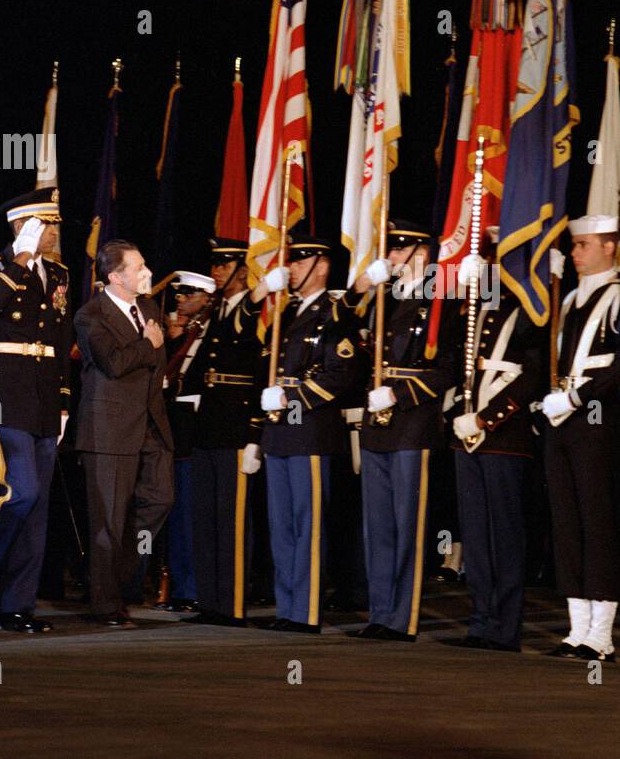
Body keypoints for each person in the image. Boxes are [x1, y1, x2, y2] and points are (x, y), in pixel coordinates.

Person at [541, 214, 620, 662]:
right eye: (574, 245)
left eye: (584, 244)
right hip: (561, 421)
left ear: (611, 247)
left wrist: (577, 397)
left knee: (599, 522)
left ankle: (601, 633)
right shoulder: (569, 298)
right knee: (568, 524)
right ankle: (576, 628)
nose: (575, 252)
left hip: (598, 420)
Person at [0, 188, 72, 633]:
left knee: (38, 506)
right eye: (48, 224)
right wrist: (19, 260)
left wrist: (64, 400)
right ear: (25, 225)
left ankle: (16, 606)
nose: (56, 231)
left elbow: (62, 339)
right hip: (4, 393)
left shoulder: (61, 272)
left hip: (45, 394)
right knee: (18, 491)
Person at [355, 220, 458, 642]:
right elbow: (346, 331)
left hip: (413, 420)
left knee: (407, 524)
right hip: (377, 421)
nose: (391, 259)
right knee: (377, 524)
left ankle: (403, 617)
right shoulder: (384, 300)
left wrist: (399, 395)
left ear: (421, 252)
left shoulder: (442, 300)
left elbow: (448, 370)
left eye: (398, 251)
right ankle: (380, 612)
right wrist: (362, 288)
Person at [258, 236, 367, 632]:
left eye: (301, 262)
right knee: (281, 525)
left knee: (308, 525)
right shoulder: (284, 312)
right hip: (279, 433)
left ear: (322, 266)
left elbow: (339, 374)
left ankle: (305, 611)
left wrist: (290, 399)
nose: (293, 269)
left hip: (310, 431)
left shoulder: (333, 314)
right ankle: (287, 607)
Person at [445, 228, 543, 652]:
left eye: (493, 261)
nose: (487, 268)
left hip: (504, 436)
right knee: (476, 535)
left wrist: (486, 419)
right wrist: (456, 415)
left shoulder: (529, 309)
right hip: (467, 434)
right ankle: (481, 619)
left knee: (504, 535)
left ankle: (505, 627)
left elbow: (533, 377)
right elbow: (455, 363)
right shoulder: (472, 309)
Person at [73, 239, 174, 627]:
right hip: (110, 430)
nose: (147, 272)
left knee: (160, 499)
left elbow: (154, 369)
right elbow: (113, 364)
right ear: (116, 277)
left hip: (149, 426)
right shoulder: (91, 315)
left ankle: (116, 578)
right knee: (108, 521)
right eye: (139, 267)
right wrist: (147, 344)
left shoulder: (148, 308)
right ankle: (105, 603)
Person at [183, 239, 263, 626]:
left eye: (224, 265)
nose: (216, 272)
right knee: (206, 516)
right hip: (210, 423)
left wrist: (254, 435)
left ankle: (231, 605)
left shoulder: (254, 308)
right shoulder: (219, 309)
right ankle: (210, 602)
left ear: (242, 270)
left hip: (235, 424)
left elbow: (258, 367)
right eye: (214, 265)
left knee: (231, 520)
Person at [160, 269, 218, 613]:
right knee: (178, 513)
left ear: (206, 298)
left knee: (193, 514)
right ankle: (182, 585)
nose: (180, 300)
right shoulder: (186, 334)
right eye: (179, 294)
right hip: (177, 431)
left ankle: (193, 586)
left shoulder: (208, 332)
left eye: (188, 294)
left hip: (197, 430)